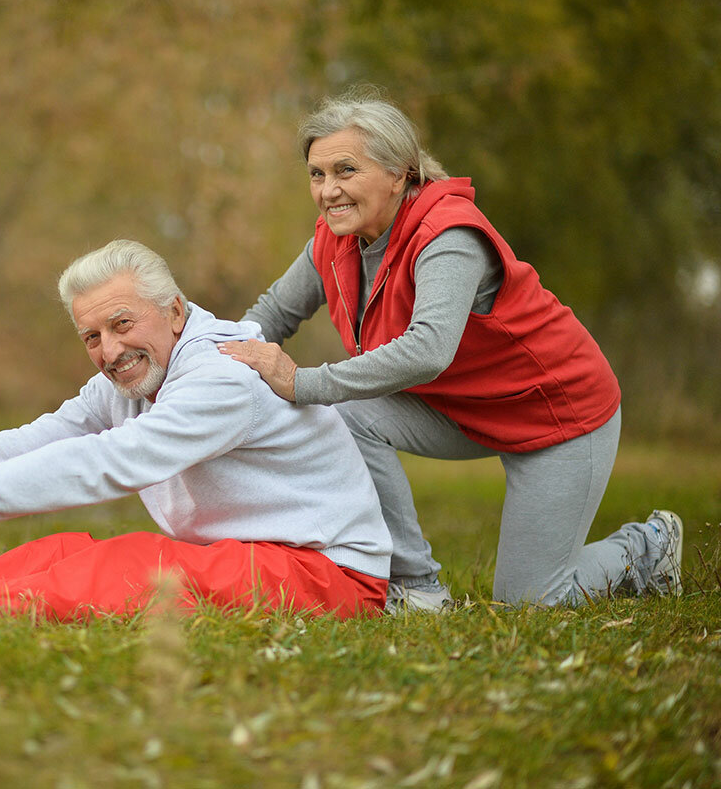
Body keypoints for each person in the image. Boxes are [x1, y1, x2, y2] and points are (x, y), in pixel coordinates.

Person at [219, 88, 683, 612]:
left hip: (558, 413)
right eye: (316, 174)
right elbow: (272, 314)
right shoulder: (332, 239)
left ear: (400, 173)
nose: (328, 191)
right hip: (459, 407)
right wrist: (209, 362)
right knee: (346, 413)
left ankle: (646, 548)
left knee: (530, 604)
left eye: (345, 170)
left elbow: (428, 350)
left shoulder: (448, 235)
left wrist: (303, 383)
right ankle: (416, 587)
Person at [0, 239, 391, 626]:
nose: (110, 350)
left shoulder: (224, 370)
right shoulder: (133, 374)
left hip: (326, 575)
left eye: (123, 323)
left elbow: (117, 460)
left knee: (135, 560)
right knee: (62, 550)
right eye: (92, 336)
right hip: (245, 557)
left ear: (174, 309)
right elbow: (33, 441)